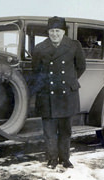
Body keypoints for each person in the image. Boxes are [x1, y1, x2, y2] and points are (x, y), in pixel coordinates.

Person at [31, 16, 86, 169]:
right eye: (52, 31)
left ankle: (65, 159)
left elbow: (81, 67)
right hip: (47, 95)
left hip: (67, 94)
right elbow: (36, 71)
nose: (54, 34)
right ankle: (52, 159)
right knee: (49, 131)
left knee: (65, 130)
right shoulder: (40, 48)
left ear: (63, 32)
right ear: (48, 32)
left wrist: (69, 80)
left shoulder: (74, 46)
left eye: (57, 31)